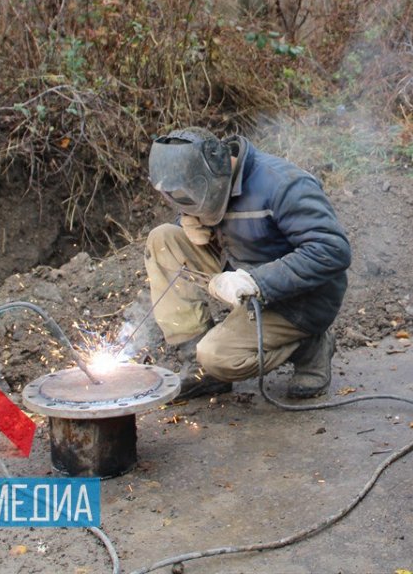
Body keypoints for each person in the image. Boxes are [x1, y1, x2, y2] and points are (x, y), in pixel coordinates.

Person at [142, 127, 351, 399]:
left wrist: (257, 281)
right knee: (164, 239)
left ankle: (309, 346)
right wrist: (189, 221)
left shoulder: (284, 185)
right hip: (241, 272)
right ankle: (199, 367)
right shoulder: (211, 180)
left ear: (215, 176)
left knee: (217, 356)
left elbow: (332, 250)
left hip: (300, 300)